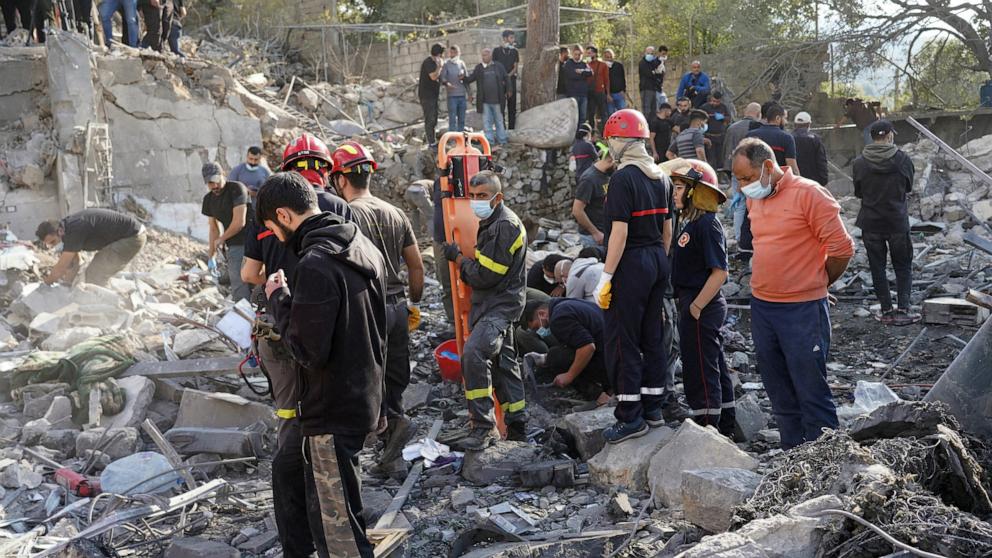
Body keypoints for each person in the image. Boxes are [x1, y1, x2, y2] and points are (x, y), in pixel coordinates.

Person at [258, 172, 386, 558]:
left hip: (329, 412)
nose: (276, 238)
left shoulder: (315, 263)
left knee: (340, 537)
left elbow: (308, 351)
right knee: (342, 514)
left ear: (283, 215)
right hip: (362, 398)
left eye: (271, 228)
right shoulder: (361, 246)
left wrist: (279, 299)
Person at [239, 137, 352, 558]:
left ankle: (295, 464)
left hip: (280, 326)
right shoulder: (337, 209)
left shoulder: (266, 209)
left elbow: (250, 273)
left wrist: (274, 280)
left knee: (291, 420)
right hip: (329, 332)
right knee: (325, 429)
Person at [731, 138, 854, 450]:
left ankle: (825, 464)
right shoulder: (754, 198)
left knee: (811, 392)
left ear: (769, 167)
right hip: (763, 307)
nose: (742, 186)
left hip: (802, 310)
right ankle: (793, 462)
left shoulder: (809, 194)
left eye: (746, 178)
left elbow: (842, 249)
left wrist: (818, 284)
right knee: (780, 393)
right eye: (738, 180)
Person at [330, 141, 425, 478]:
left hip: (368, 310)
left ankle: (380, 444)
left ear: (341, 179)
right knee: (395, 379)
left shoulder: (347, 215)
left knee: (368, 382)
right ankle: (393, 453)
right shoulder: (395, 212)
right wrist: (413, 302)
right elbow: (416, 266)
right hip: (398, 307)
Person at [594, 109, 674, 443]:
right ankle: (653, 409)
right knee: (652, 336)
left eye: (610, 140)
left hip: (631, 262)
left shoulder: (623, 179)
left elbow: (619, 235)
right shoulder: (662, 177)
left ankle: (630, 416)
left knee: (622, 340)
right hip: (657, 258)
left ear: (619, 141)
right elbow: (667, 230)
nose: (609, 146)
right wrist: (659, 263)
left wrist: (606, 276)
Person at [441, 171, 529, 449]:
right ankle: (518, 426)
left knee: (474, 353)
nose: (476, 202)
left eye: (482, 196)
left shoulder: (504, 226)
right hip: (499, 303)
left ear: (497, 197)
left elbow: (486, 276)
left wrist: (458, 259)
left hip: (500, 305)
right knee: (505, 364)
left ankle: (482, 427)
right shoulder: (493, 221)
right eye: (473, 196)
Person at [668, 159, 735, 437]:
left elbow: (720, 272)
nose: (674, 192)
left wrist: (696, 306)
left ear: (696, 191)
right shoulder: (689, 223)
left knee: (700, 367)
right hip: (692, 301)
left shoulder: (707, 224)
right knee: (713, 361)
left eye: (680, 187)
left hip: (701, 303)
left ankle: (707, 426)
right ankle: (727, 422)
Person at [853, 120, 920, 326]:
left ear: (872, 137)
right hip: (897, 222)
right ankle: (903, 309)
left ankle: (886, 310)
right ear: (890, 135)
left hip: (871, 223)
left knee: (877, 267)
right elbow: (908, 187)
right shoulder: (903, 160)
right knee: (902, 265)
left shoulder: (859, 162)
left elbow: (858, 192)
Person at [526, 298, 610, 404]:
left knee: (555, 358)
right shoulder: (565, 304)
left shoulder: (558, 319)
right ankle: (610, 389)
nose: (538, 331)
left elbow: (588, 347)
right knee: (556, 353)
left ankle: (599, 397)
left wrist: (569, 375)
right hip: (617, 355)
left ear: (541, 314)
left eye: (536, 327)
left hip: (609, 361)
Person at [36, 208, 146, 286]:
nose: (52, 246)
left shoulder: (74, 230)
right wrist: (67, 283)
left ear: (59, 232)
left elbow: (60, 268)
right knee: (95, 270)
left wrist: (44, 285)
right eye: (49, 244)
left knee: (95, 273)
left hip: (132, 237)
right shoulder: (66, 228)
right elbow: (76, 262)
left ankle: (105, 308)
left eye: (53, 241)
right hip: (127, 235)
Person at [200, 162, 251, 301]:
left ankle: (254, 313)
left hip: (252, 238)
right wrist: (211, 255)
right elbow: (213, 228)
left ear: (223, 175)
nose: (214, 186)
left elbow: (240, 222)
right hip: (234, 242)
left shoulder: (236, 189)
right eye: (210, 183)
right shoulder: (208, 200)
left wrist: (222, 239)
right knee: (238, 281)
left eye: (216, 181)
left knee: (249, 278)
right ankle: (246, 314)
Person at [723, 102, 761, 241]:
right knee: (755, 204)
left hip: (735, 171)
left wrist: (729, 172)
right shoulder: (757, 128)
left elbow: (726, 150)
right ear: (758, 114)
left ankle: (738, 237)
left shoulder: (732, 128)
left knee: (738, 205)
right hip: (753, 172)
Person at [464, 48, 510, 146]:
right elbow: (471, 78)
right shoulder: (479, 68)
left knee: (499, 121)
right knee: (487, 123)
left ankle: (502, 140)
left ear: (490, 56)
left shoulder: (498, 66)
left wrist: (509, 90)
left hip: (498, 100)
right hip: (484, 101)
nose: (484, 57)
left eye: (486, 55)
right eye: (483, 55)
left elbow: (506, 77)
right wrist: (463, 78)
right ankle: (489, 142)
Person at [745, 102, 799, 175]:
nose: (786, 122)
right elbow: (792, 167)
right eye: (785, 118)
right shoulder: (787, 138)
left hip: (755, 181)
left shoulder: (750, 135)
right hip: (778, 182)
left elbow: (745, 161)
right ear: (777, 118)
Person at [573, 153, 612, 245]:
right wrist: (595, 233)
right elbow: (577, 210)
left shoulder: (607, 174)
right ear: (611, 160)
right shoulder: (589, 179)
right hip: (592, 237)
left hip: (604, 231)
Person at [792, 111, 829, 186]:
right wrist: (823, 180)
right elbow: (821, 161)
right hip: (813, 182)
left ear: (795, 125)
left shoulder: (788, 138)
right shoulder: (815, 139)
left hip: (794, 182)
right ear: (809, 124)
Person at [418, 43, 444, 146]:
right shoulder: (428, 62)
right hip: (426, 96)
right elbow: (433, 77)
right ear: (439, 54)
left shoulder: (436, 62)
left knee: (434, 118)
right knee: (430, 118)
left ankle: (431, 139)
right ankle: (431, 142)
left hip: (434, 95)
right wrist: (440, 67)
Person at [493, 30, 520, 130]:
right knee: (500, 107)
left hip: (511, 81)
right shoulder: (496, 51)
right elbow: (494, 66)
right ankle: (502, 130)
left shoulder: (515, 51)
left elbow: (515, 67)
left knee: (512, 106)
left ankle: (512, 129)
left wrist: (507, 77)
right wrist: (502, 78)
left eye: (513, 38)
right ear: (505, 38)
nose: (513, 40)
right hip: (500, 82)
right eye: (511, 37)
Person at [439, 45, 469, 132]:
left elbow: (466, 79)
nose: (452, 54)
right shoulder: (446, 64)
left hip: (462, 95)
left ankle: (461, 139)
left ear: (458, 53)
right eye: (451, 52)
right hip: (452, 96)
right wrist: (447, 84)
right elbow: (442, 77)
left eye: (454, 52)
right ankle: (453, 139)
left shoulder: (462, 63)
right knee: (452, 120)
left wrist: (469, 94)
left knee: (462, 119)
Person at [563, 44, 593, 128]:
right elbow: (572, 75)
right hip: (573, 94)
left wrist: (581, 71)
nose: (577, 56)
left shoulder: (584, 64)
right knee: (574, 117)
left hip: (583, 94)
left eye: (579, 54)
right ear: (572, 54)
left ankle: (581, 135)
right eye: (576, 54)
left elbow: (590, 72)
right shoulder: (568, 64)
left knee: (583, 117)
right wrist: (583, 74)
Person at [699, 91, 731, 169]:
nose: (715, 103)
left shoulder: (723, 107)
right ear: (710, 99)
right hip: (708, 136)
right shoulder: (704, 107)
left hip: (720, 137)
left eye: (717, 102)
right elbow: (698, 120)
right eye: (713, 101)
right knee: (711, 158)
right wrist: (707, 118)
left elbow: (728, 119)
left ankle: (720, 176)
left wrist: (723, 117)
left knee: (720, 158)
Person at [585, 45, 610, 133]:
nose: (588, 55)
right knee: (591, 113)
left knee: (603, 113)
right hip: (590, 92)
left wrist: (608, 93)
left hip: (600, 91)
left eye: (590, 53)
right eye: (587, 53)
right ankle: (592, 133)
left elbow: (606, 80)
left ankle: (605, 132)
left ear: (595, 53)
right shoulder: (586, 65)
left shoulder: (603, 65)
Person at [637, 46, 663, 116]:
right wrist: (655, 74)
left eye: (651, 53)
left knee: (653, 109)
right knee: (647, 110)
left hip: (653, 88)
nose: (650, 55)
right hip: (646, 88)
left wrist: (660, 58)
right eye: (648, 53)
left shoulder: (652, 62)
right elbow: (649, 74)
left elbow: (657, 66)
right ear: (645, 53)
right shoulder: (642, 63)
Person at [571, 123, 598, 187]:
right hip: (588, 176)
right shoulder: (588, 145)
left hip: (578, 177)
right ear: (588, 133)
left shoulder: (574, 146)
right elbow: (596, 159)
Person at [603, 48, 626, 115]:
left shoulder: (618, 65)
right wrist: (607, 94)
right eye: (607, 57)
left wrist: (623, 90)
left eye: (610, 57)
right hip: (609, 94)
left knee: (622, 112)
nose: (609, 59)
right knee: (611, 114)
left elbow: (623, 79)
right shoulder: (603, 67)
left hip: (619, 93)